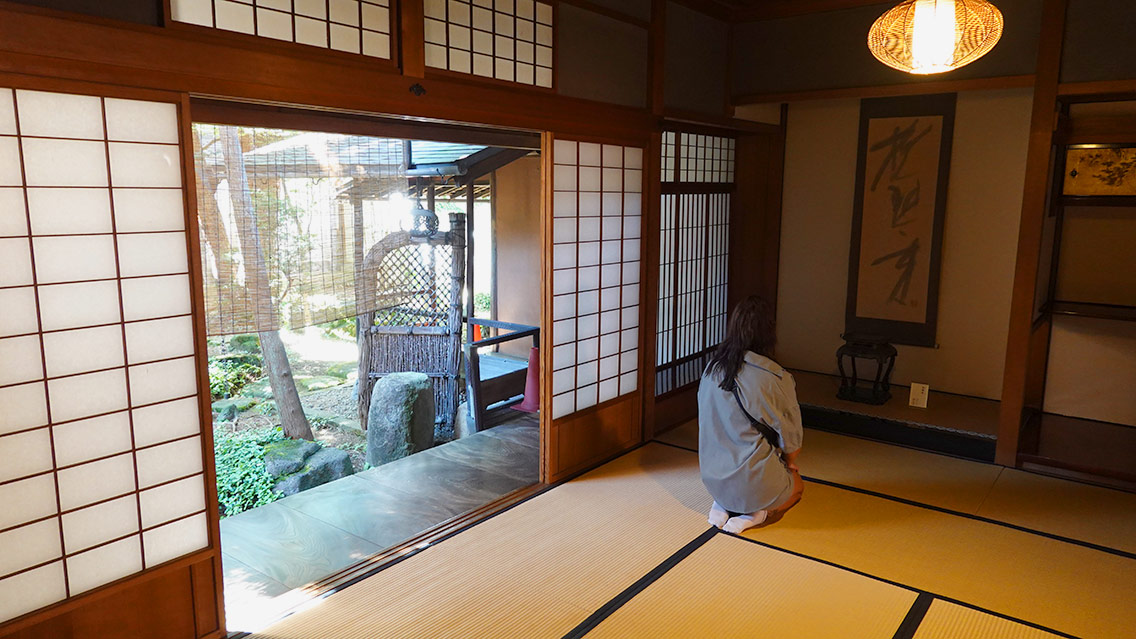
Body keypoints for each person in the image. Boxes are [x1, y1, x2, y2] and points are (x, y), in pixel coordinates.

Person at [698, 296, 804, 533]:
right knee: (797, 487)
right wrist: (790, 464)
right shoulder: (774, 377)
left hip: (713, 477)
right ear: (769, 332)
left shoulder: (712, 369)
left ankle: (723, 505)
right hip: (753, 481)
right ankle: (758, 514)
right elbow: (792, 445)